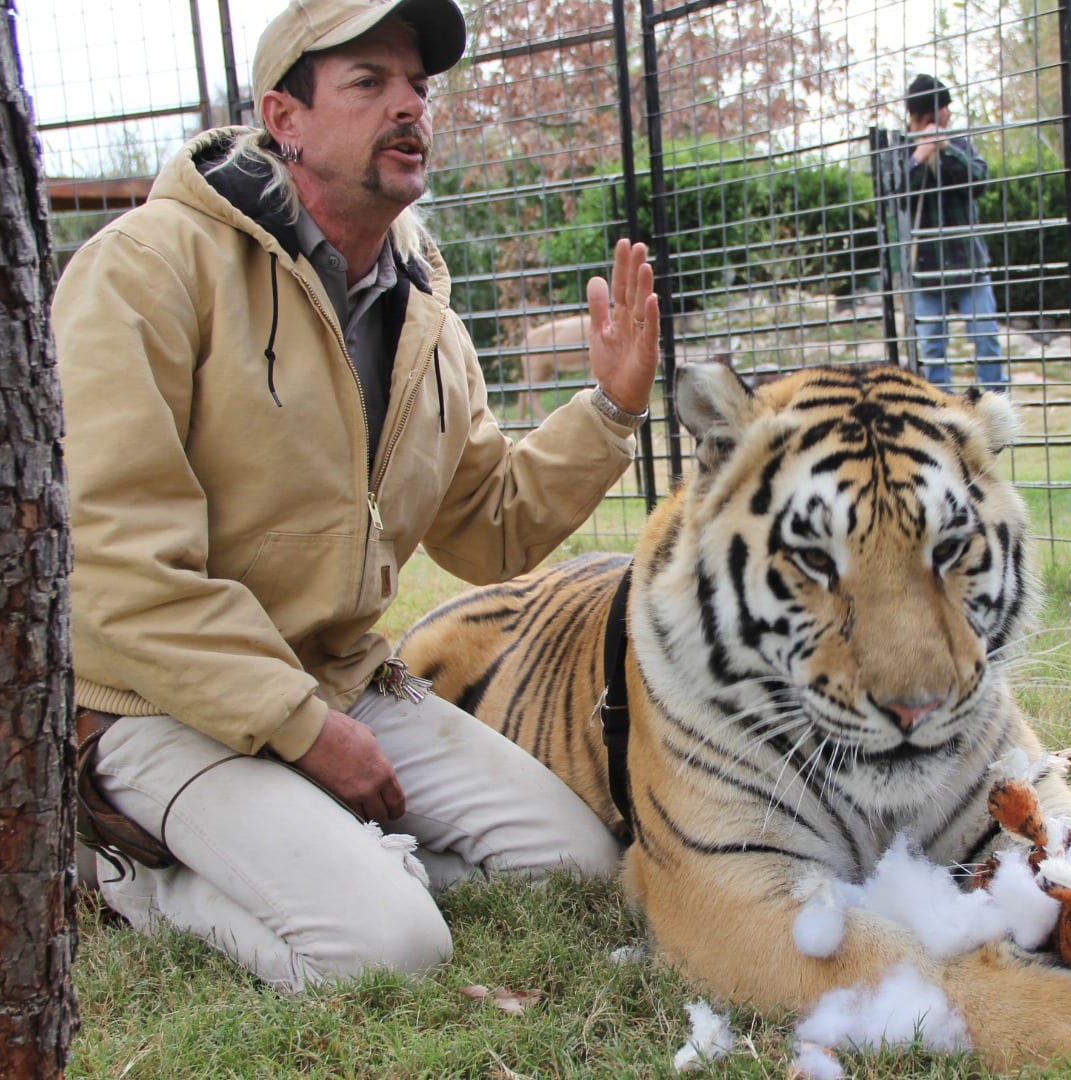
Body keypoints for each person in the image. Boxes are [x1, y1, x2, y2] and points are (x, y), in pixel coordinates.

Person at [52, 0, 659, 993]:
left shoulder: (421, 300)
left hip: (335, 680)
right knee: (389, 950)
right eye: (369, 83)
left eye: (418, 85)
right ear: (283, 118)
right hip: (153, 700)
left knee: (576, 867)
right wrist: (303, 732)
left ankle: (325, 856)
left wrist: (610, 410)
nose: (410, 106)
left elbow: (487, 524)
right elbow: (114, 562)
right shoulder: (146, 267)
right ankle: (133, 876)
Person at [903, 74, 1008, 392]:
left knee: (985, 338)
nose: (948, 113)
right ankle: (941, 412)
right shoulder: (902, 150)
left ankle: (995, 407)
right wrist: (919, 158)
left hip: (969, 263)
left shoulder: (959, 144)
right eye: (943, 106)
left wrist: (946, 150)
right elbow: (895, 195)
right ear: (927, 114)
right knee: (932, 352)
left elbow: (979, 181)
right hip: (926, 268)